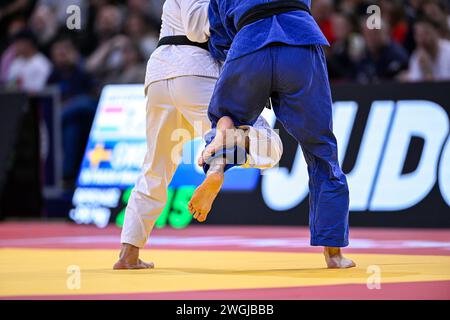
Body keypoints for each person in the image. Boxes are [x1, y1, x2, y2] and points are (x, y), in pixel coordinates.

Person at [113, 0, 283, 270]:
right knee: (268, 142)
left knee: (156, 166)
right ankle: (226, 153)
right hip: (197, 70)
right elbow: (196, 25)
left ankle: (128, 252)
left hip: (159, 76)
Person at [188, 0, 355, 269]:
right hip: (299, 42)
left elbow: (219, 37)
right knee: (321, 148)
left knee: (225, 118)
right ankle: (334, 253)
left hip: (249, 42)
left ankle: (217, 166)